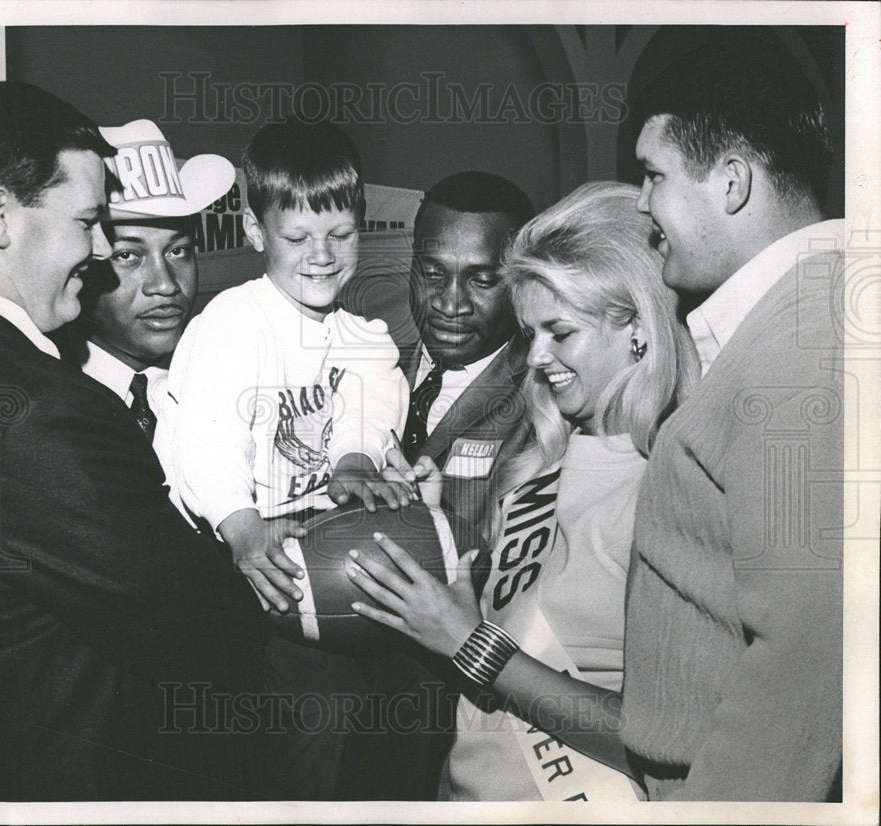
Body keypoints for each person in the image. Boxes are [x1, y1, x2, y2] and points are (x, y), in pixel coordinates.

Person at [0, 81, 265, 801]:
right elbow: (210, 632)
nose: (99, 252)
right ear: (2, 217)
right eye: (90, 222)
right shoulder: (40, 408)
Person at [346, 182, 699, 801]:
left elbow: (664, 740)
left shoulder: (673, 485)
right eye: (531, 330)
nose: (534, 356)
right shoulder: (549, 450)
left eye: (559, 332)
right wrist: (444, 532)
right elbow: (507, 617)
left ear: (638, 328)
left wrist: (469, 644)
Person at [161, 118, 415, 800]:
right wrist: (242, 529)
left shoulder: (358, 332)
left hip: (320, 563)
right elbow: (206, 439)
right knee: (318, 715)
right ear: (254, 232)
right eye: (298, 238)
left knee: (393, 705)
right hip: (241, 562)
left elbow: (374, 387)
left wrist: (355, 456)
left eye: (341, 234)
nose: (323, 256)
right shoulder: (231, 324)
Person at [620, 37, 844, 800]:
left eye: (653, 176)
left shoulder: (806, 345)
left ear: (734, 182)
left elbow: (812, 649)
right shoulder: (797, 321)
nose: (641, 205)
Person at [53, 119, 235, 441]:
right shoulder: (52, 399)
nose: (165, 285)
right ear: (82, 264)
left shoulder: (228, 381)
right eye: (127, 256)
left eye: (178, 251)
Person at [397, 171, 536, 534]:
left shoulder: (546, 404)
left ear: (520, 283)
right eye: (432, 272)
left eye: (482, 281)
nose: (449, 303)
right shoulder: (368, 372)